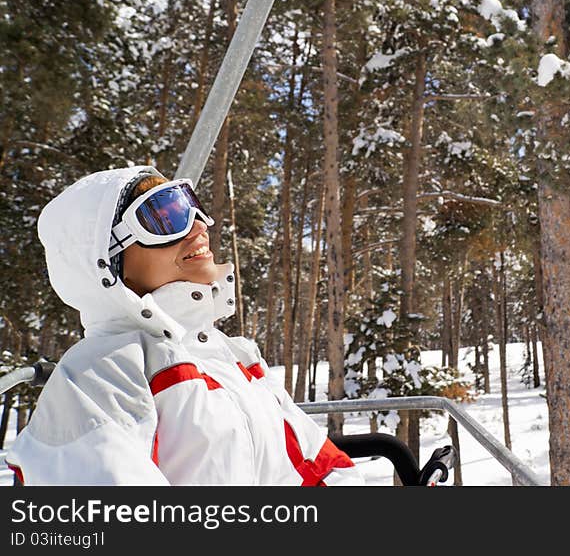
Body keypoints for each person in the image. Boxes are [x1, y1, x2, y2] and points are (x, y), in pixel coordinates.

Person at [5, 165, 363, 485]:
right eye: (164, 218)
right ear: (108, 261)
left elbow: (318, 468)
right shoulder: (98, 374)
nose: (198, 226)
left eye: (189, 204)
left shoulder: (233, 358)